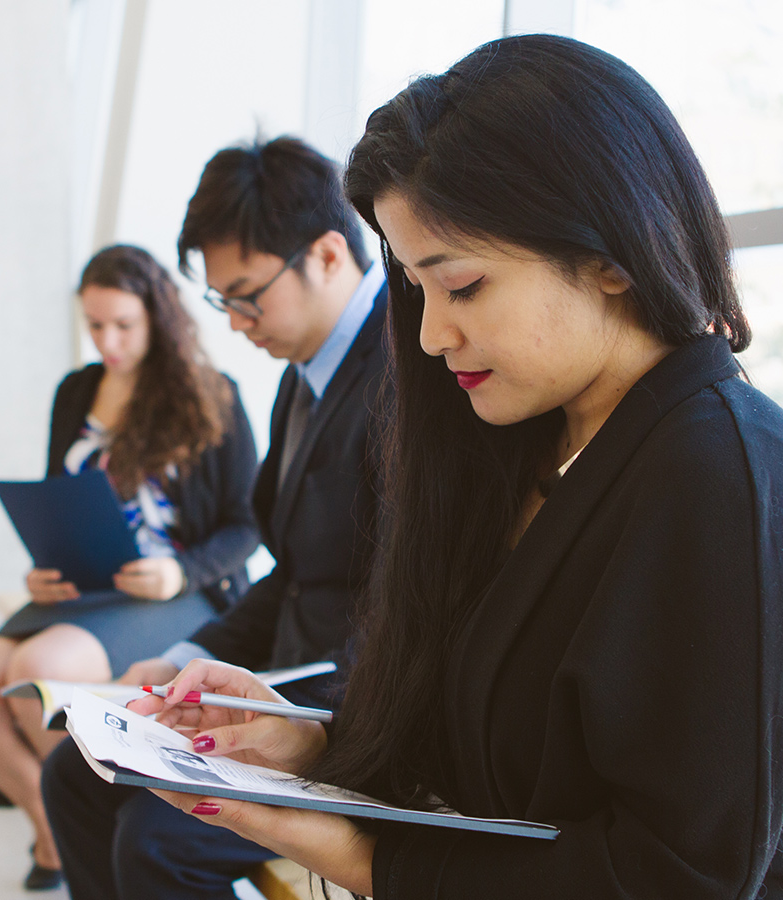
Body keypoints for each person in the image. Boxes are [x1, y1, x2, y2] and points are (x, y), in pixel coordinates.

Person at [132, 34, 783, 900]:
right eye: (418, 288)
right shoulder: (520, 439)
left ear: (611, 256)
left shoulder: (717, 477)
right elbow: (495, 754)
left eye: (465, 286)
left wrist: (358, 856)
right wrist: (314, 745)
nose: (434, 336)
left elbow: (679, 877)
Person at [41, 136, 390, 899]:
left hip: (355, 713)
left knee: (157, 841)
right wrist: (182, 658)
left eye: (246, 295)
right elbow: (295, 578)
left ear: (328, 256)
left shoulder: (407, 373)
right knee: (74, 770)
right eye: (220, 300)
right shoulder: (307, 373)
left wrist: (291, 729)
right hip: (287, 688)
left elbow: (409, 609)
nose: (235, 323)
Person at [0, 244, 259, 891]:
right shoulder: (77, 391)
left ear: (158, 317)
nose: (108, 341)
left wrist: (180, 570)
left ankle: (89, 822)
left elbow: (247, 524)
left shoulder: (213, 396)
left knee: (32, 673)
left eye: (123, 325)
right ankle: (53, 824)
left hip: (175, 594)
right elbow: (57, 494)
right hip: (82, 587)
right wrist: (42, 567)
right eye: (95, 326)